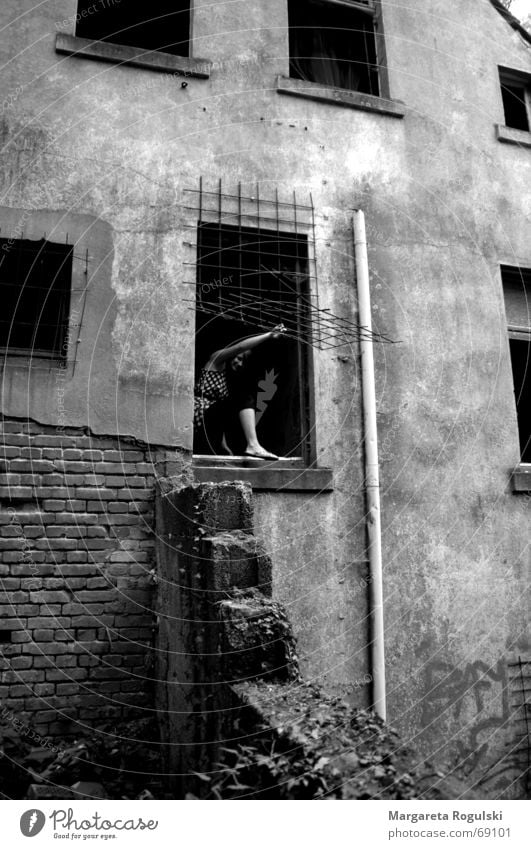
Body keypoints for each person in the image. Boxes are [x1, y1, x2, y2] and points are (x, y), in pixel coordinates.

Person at [193, 324, 286, 459]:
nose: (240, 363)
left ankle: (248, 446)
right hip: (198, 413)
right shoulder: (216, 360)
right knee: (243, 397)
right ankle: (253, 445)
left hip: (207, 421)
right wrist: (269, 335)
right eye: (238, 358)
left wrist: (224, 446)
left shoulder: (227, 378)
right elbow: (240, 347)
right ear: (231, 354)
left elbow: (218, 415)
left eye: (243, 360)